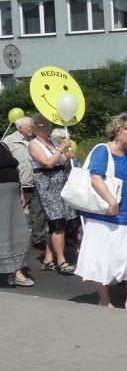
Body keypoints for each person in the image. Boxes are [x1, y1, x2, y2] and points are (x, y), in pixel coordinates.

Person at [75, 114, 127, 311]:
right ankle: (105, 300)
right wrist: (112, 202)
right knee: (105, 259)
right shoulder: (103, 150)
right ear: (118, 130)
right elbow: (95, 178)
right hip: (106, 216)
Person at [28, 114, 77, 275]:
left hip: (61, 183)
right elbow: (48, 163)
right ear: (35, 128)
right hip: (47, 184)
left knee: (59, 221)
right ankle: (61, 260)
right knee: (57, 222)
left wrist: (69, 159)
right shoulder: (33, 145)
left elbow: (65, 167)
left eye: (48, 125)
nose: (48, 128)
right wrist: (61, 148)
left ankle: (48, 259)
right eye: (43, 126)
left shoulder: (53, 142)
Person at [3, 116, 47, 251]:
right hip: (19, 184)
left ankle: (38, 240)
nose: (32, 129)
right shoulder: (8, 141)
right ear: (19, 127)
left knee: (38, 213)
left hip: (37, 182)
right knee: (11, 213)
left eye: (33, 127)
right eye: (29, 127)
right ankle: (8, 240)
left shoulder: (36, 140)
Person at [0, 138, 33, 287]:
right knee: (4, 233)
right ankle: (14, 273)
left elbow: (16, 169)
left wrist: (20, 190)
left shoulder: (3, 145)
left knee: (19, 232)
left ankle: (16, 271)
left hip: (11, 195)